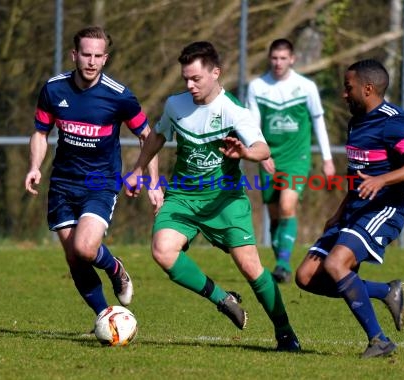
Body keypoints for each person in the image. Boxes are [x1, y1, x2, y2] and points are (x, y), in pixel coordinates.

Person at [123, 41, 300, 351]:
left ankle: (285, 332)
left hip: (225, 200)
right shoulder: (175, 105)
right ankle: (222, 299)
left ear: (215, 73)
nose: (189, 85)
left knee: (251, 268)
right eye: (185, 79)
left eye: (196, 79)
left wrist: (245, 151)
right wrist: (139, 170)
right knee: (163, 251)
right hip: (183, 197)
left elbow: (263, 148)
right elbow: (156, 137)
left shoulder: (233, 110)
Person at [295, 59, 404, 358]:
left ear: (367, 89)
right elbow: (356, 173)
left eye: (348, 88)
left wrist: (382, 180)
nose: (344, 94)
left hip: (385, 209)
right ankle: (386, 291)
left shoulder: (393, 121)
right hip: (355, 208)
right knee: (306, 276)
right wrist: (339, 209)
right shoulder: (355, 121)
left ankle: (379, 341)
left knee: (335, 265)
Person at [24, 26, 163, 322]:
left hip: (100, 182)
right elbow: (40, 132)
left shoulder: (120, 96)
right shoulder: (53, 89)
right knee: (74, 258)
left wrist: (151, 180)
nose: (91, 61)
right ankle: (106, 317)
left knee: (85, 248)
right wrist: (35, 167)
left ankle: (115, 269)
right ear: (75, 54)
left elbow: (148, 136)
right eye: (86, 54)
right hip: (62, 184)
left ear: (106, 58)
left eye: (98, 56)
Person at [246, 38, 336, 283]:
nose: (278, 63)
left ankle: (284, 264)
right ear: (269, 59)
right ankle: (281, 263)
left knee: (287, 206)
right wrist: (261, 154)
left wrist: (327, 159)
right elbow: (252, 126)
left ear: (292, 59)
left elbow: (318, 120)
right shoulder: (257, 87)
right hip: (269, 158)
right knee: (275, 215)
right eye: (274, 58)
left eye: (283, 58)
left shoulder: (305, 87)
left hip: (297, 157)